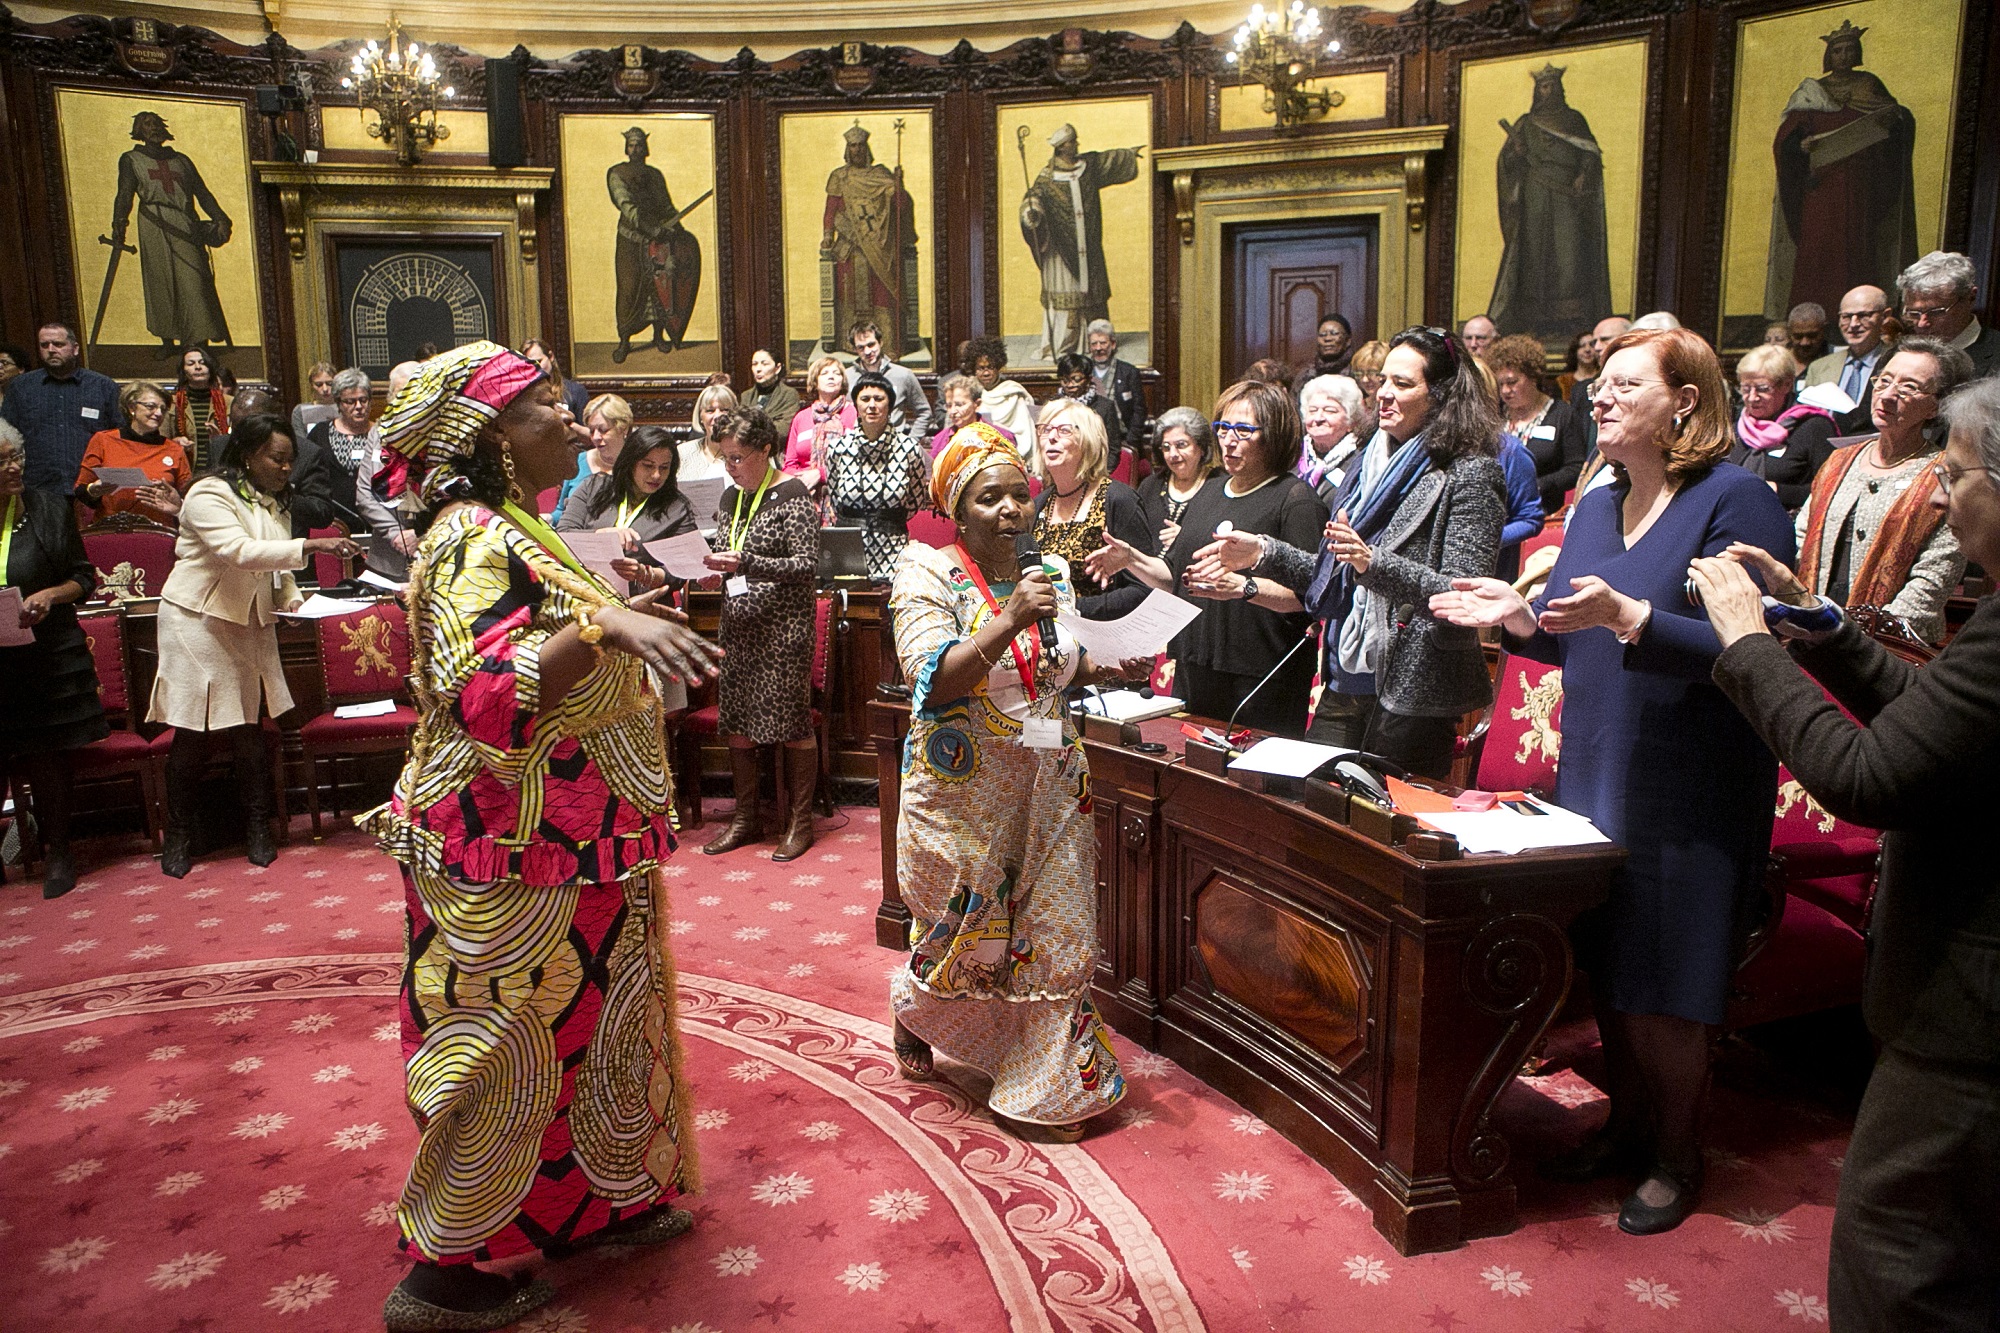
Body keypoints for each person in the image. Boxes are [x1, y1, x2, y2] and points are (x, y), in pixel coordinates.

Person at [357, 342, 720, 1332]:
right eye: (545, 412)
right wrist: (607, 630)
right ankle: (441, 1276)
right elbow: (484, 698)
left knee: (591, 1025)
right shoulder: (472, 534)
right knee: (495, 1046)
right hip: (499, 850)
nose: (568, 424)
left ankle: (596, 1201)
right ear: (489, 442)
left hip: (573, 836)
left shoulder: (526, 521)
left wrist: (615, 614)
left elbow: (565, 636)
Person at [1428, 326, 1797, 1235]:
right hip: (1596, 769)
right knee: (1616, 968)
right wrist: (1522, 619)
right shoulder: (1595, 505)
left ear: (1686, 400)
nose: (1599, 394)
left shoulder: (1736, 500)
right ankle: (1625, 1127)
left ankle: (1678, 1152)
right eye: (1598, 381)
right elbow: (1580, 635)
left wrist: (1635, 615)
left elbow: (1758, 647)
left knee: (1671, 984)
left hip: (1693, 781)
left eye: (1625, 383)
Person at [1691, 374, 2000, 1331]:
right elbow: (1932, 731)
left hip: (1968, 1026)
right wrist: (1823, 631)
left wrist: (1750, 648)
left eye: (1956, 477)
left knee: (1898, 1262)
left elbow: (1869, 776)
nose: (1940, 498)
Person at [888, 423, 1144, 1142]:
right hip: (960, 793)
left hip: (1053, 777)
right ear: (957, 511)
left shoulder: (1051, 574)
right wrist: (1006, 616)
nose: (1010, 509)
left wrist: (1102, 665)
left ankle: (1045, 1087)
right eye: (988, 498)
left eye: (1018, 495)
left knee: (1059, 935)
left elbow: (1056, 662)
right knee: (968, 940)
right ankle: (913, 1005)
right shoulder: (925, 572)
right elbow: (933, 681)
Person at [150, 416, 362, 878]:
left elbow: (275, 568)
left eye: (290, 461)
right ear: (247, 455)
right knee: (194, 733)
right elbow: (240, 552)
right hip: (196, 621)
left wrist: (295, 601)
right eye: (277, 459)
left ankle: (257, 830)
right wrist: (315, 548)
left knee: (249, 732)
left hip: (248, 621)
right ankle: (178, 837)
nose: (287, 469)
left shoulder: (273, 501)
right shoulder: (208, 493)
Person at [1288, 327, 1506, 774]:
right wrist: (1261, 554)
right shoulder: (1368, 462)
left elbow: (1461, 595)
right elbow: (1335, 566)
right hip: (1345, 673)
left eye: (1403, 384)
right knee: (1310, 818)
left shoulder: (1471, 473)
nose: (1384, 393)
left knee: (1389, 836)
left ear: (1441, 394)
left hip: (1414, 691)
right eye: (1383, 380)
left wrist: (1372, 563)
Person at [1086, 380, 1328, 737]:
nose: (1228, 440)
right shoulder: (1210, 490)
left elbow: (1310, 595)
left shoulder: (1295, 500)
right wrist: (1132, 558)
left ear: (1274, 434)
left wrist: (1243, 587)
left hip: (1261, 672)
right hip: (1196, 662)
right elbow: (1175, 577)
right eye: (1223, 428)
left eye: (1244, 430)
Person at [693, 406, 822, 860]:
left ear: (766, 450)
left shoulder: (790, 494)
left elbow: (807, 564)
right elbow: (727, 554)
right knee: (738, 725)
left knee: (791, 725)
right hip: (740, 626)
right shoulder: (730, 499)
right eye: (724, 458)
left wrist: (746, 563)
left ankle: (799, 824)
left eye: (738, 457)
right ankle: (745, 820)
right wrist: (713, 573)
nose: (730, 467)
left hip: (783, 631)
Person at [1793, 338, 1972, 644]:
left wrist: (1864, 642)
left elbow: (1933, 578)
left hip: (1892, 649)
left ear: (1936, 405)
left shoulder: (1945, 474)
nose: (1888, 395)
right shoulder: (1840, 460)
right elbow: (1803, 538)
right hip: (1815, 636)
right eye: (1884, 381)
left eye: (1908, 388)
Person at [0, 422, 107, 898]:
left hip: (46, 657)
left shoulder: (49, 508)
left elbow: (85, 578)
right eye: (2, 460)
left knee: (47, 757)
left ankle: (59, 850)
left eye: (15, 456)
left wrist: (49, 595)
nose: (13, 466)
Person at [1763, 19, 1917, 321]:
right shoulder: (1812, 92)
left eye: (1849, 50)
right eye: (1838, 51)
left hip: (1860, 186)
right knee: (1817, 250)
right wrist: (1800, 146)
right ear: (1829, 56)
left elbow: (1895, 126)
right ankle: (1810, 317)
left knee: (1856, 248)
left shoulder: (1869, 86)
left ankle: (1859, 313)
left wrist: (1891, 123)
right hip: (1820, 188)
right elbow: (1787, 140)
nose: (1844, 56)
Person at [1489, 62, 1613, 342]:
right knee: (1533, 255)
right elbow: (1506, 163)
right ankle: (1535, 319)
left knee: (1568, 256)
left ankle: (1570, 321)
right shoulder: (1526, 124)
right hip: (1534, 196)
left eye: (1551, 86)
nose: (1546, 91)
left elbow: (1590, 154)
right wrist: (1516, 154)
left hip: (1566, 198)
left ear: (1559, 89)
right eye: (1542, 87)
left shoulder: (1574, 120)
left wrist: (1583, 175)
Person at [109, 110, 232, 354]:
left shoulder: (181, 161)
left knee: (193, 280)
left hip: (185, 223)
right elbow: (125, 194)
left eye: (156, 123)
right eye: (146, 124)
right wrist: (119, 223)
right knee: (160, 282)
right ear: (139, 131)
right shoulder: (131, 159)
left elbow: (202, 193)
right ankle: (168, 341)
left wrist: (221, 218)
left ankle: (199, 340)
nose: (153, 128)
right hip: (153, 224)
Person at [1019, 123, 1144, 361]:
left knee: (1091, 292)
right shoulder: (1047, 179)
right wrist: (1031, 213)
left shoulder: (1087, 167)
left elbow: (1108, 161)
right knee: (1066, 294)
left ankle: (1094, 342)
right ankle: (1063, 345)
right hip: (1060, 251)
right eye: (1072, 143)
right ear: (1061, 148)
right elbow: (1033, 199)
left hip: (1088, 245)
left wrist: (1129, 154)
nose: (1076, 146)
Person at [1030, 397, 1154, 620]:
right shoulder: (1038, 505)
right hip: (1051, 636)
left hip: (1107, 633)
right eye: (1045, 429)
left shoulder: (1118, 500)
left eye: (1064, 430)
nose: (1051, 437)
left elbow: (1143, 590)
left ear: (1087, 441)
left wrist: (1070, 609)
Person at [557, 423, 698, 597]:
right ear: (631, 462)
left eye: (664, 467)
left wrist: (645, 574)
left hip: (644, 602)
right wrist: (601, 535)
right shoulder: (592, 487)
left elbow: (683, 568)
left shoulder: (677, 507)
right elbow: (563, 535)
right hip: (587, 595)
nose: (656, 475)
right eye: (648, 465)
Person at [823, 125, 920, 362]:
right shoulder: (840, 176)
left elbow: (900, 205)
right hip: (851, 244)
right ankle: (851, 344)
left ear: (866, 149)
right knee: (851, 295)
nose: (856, 150)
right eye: (852, 146)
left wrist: (899, 185)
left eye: (860, 146)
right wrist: (828, 234)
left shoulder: (881, 174)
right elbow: (831, 209)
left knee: (883, 292)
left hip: (881, 244)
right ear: (848, 149)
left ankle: (887, 344)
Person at [825, 371, 929, 583]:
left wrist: (885, 520)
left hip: (894, 549)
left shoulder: (909, 449)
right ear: (856, 405)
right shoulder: (838, 448)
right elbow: (836, 500)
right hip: (849, 552)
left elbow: (915, 501)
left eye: (879, 399)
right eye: (865, 399)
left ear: (889, 405)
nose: (872, 405)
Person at [3, 322, 122, 496]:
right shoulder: (21, 387)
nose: (51, 349)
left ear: (74, 349)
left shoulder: (103, 386)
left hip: (91, 488)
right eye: (44, 345)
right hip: (38, 488)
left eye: (58, 344)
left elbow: (119, 438)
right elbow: (7, 436)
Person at [609, 125, 696, 361]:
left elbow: (666, 206)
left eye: (640, 144)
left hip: (658, 242)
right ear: (626, 148)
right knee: (629, 289)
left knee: (659, 287)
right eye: (632, 145)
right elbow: (627, 206)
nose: (636, 149)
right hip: (631, 241)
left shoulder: (655, 175)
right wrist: (650, 228)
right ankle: (625, 340)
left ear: (646, 148)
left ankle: (659, 336)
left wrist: (678, 230)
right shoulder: (617, 173)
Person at [1487, 334, 1590, 511]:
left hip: (1543, 511)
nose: (1505, 391)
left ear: (1533, 377)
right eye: (1500, 383)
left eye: (1512, 382)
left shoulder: (1562, 415)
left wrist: (1536, 485)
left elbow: (1575, 468)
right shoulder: (1495, 415)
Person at [1729, 343, 1837, 513]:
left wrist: (1778, 490)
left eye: (1762, 389)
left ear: (1786, 385)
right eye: (1745, 388)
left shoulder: (1814, 427)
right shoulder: (1737, 427)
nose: (1751, 397)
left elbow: (1830, 490)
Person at [75, 380, 190, 525]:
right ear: (131, 407)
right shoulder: (103, 440)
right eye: (151, 407)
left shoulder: (174, 449)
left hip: (160, 534)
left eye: (163, 409)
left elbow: (188, 497)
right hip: (110, 530)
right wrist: (94, 490)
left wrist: (176, 500)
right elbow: (81, 491)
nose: (158, 413)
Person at [1896, 250, 2000, 380]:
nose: (1922, 323)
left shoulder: (1996, 355)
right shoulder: (1897, 354)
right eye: (1914, 313)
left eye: (1936, 312)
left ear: (1970, 297)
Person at [1804, 285, 1894, 434]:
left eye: (1863, 315)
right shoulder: (1819, 368)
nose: (1853, 324)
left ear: (1885, 317)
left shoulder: (1896, 362)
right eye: (1846, 317)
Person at [1135, 407, 1221, 555]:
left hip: (1198, 572)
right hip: (1147, 572)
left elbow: (1229, 543)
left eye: (1181, 445)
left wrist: (1187, 540)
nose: (1173, 454)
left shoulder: (1221, 485)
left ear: (1201, 447)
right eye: (1166, 447)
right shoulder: (1150, 486)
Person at [846, 321, 931, 437]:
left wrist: (911, 443)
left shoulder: (903, 375)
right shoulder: (846, 377)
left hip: (894, 445)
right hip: (858, 446)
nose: (867, 351)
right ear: (855, 349)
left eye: (871, 345)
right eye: (861, 347)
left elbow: (924, 412)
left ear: (880, 342)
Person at [784, 355, 853, 492]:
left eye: (837, 373)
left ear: (842, 381)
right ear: (815, 381)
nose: (831, 377)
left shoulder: (853, 413)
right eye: (825, 373)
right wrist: (802, 482)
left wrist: (820, 474)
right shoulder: (801, 417)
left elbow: (858, 461)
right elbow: (789, 465)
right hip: (805, 494)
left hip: (844, 492)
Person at [556, 392, 631, 518]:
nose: (595, 437)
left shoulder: (640, 465)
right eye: (591, 431)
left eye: (603, 430)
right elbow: (561, 511)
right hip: (576, 535)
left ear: (623, 429)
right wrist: (550, 518)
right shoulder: (578, 461)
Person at [964, 335, 1037, 456]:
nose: (986, 373)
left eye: (990, 367)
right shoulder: (969, 394)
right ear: (974, 369)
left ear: (998, 367)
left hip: (1014, 452)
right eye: (981, 368)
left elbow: (1025, 431)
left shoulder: (1013, 393)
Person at [1296, 374, 1364, 503]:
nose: (1318, 418)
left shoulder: (1360, 463)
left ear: (1351, 421)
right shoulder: (1292, 457)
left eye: (1330, 411)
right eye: (1312, 410)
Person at [1084, 320, 1149, 456]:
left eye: (1103, 343)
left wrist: (1130, 442)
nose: (1098, 348)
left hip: (1122, 439)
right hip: (1089, 440)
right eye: (1094, 343)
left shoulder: (1128, 372)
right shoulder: (1084, 371)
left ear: (1113, 344)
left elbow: (1139, 410)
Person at [170, 347, 230, 470]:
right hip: (185, 470)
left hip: (220, 471)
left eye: (203, 363)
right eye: (191, 364)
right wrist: (175, 442)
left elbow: (241, 441)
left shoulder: (228, 402)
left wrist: (220, 440)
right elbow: (160, 442)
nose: (198, 367)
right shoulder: (172, 402)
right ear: (183, 371)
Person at [1054, 352, 1121, 457]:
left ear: (1089, 379)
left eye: (1076, 379)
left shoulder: (1105, 407)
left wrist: (1100, 472)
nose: (1070, 385)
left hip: (1095, 467)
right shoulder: (1053, 405)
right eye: (1065, 380)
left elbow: (1113, 449)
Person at [931, 373, 1008, 457]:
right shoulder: (940, 440)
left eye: (959, 405)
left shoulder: (1000, 437)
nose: (953, 411)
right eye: (949, 406)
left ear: (977, 404)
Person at [680, 383, 737, 484]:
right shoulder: (682, 453)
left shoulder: (747, 453)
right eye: (710, 411)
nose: (717, 416)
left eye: (724, 410)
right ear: (700, 417)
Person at [522, 337, 589, 421]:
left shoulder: (575, 391)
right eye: (529, 364)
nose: (535, 367)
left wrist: (568, 421)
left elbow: (588, 432)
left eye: (539, 361)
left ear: (551, 357)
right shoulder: (524, 395)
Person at [743, 348, 801, 442]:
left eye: (764, 364)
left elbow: (783, 429)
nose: (758, 369)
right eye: (754, 364)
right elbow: (740, 427)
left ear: (777, 368)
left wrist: (753, 429)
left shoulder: (788, 395)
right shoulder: (746, 396)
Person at [290, 360, 338, 450]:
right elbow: (300, 443)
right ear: (311, 385)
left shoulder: (345, 408)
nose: (325, 389)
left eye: (329, 384)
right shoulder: (299, 411)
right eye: (319, 384)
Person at [1347, 339, 1389, 440]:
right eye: (1360, 374)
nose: (1365, 379)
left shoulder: (1393, 407)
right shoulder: (1356, 407)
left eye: (1372, 373)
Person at [1298, 312, 1353, 382]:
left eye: (1334, 333)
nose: (1327, 339)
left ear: (1348, 341)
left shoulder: (1357, 372)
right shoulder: (1306, 374)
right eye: (1322, 335)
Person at [1786, 301, 1830, 373]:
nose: (1805, 343)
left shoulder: (1838, 360)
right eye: (1798, 336)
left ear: (1824, 330)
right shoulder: (1777, 360)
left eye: (1812, 336)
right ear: (1789, 333)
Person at [1556, 328, 1597, 403]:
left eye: (1592, 345)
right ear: (1575, 351)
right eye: (1582, 346)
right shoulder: (1563, 381)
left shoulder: (1603, 377)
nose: (1587, 350)